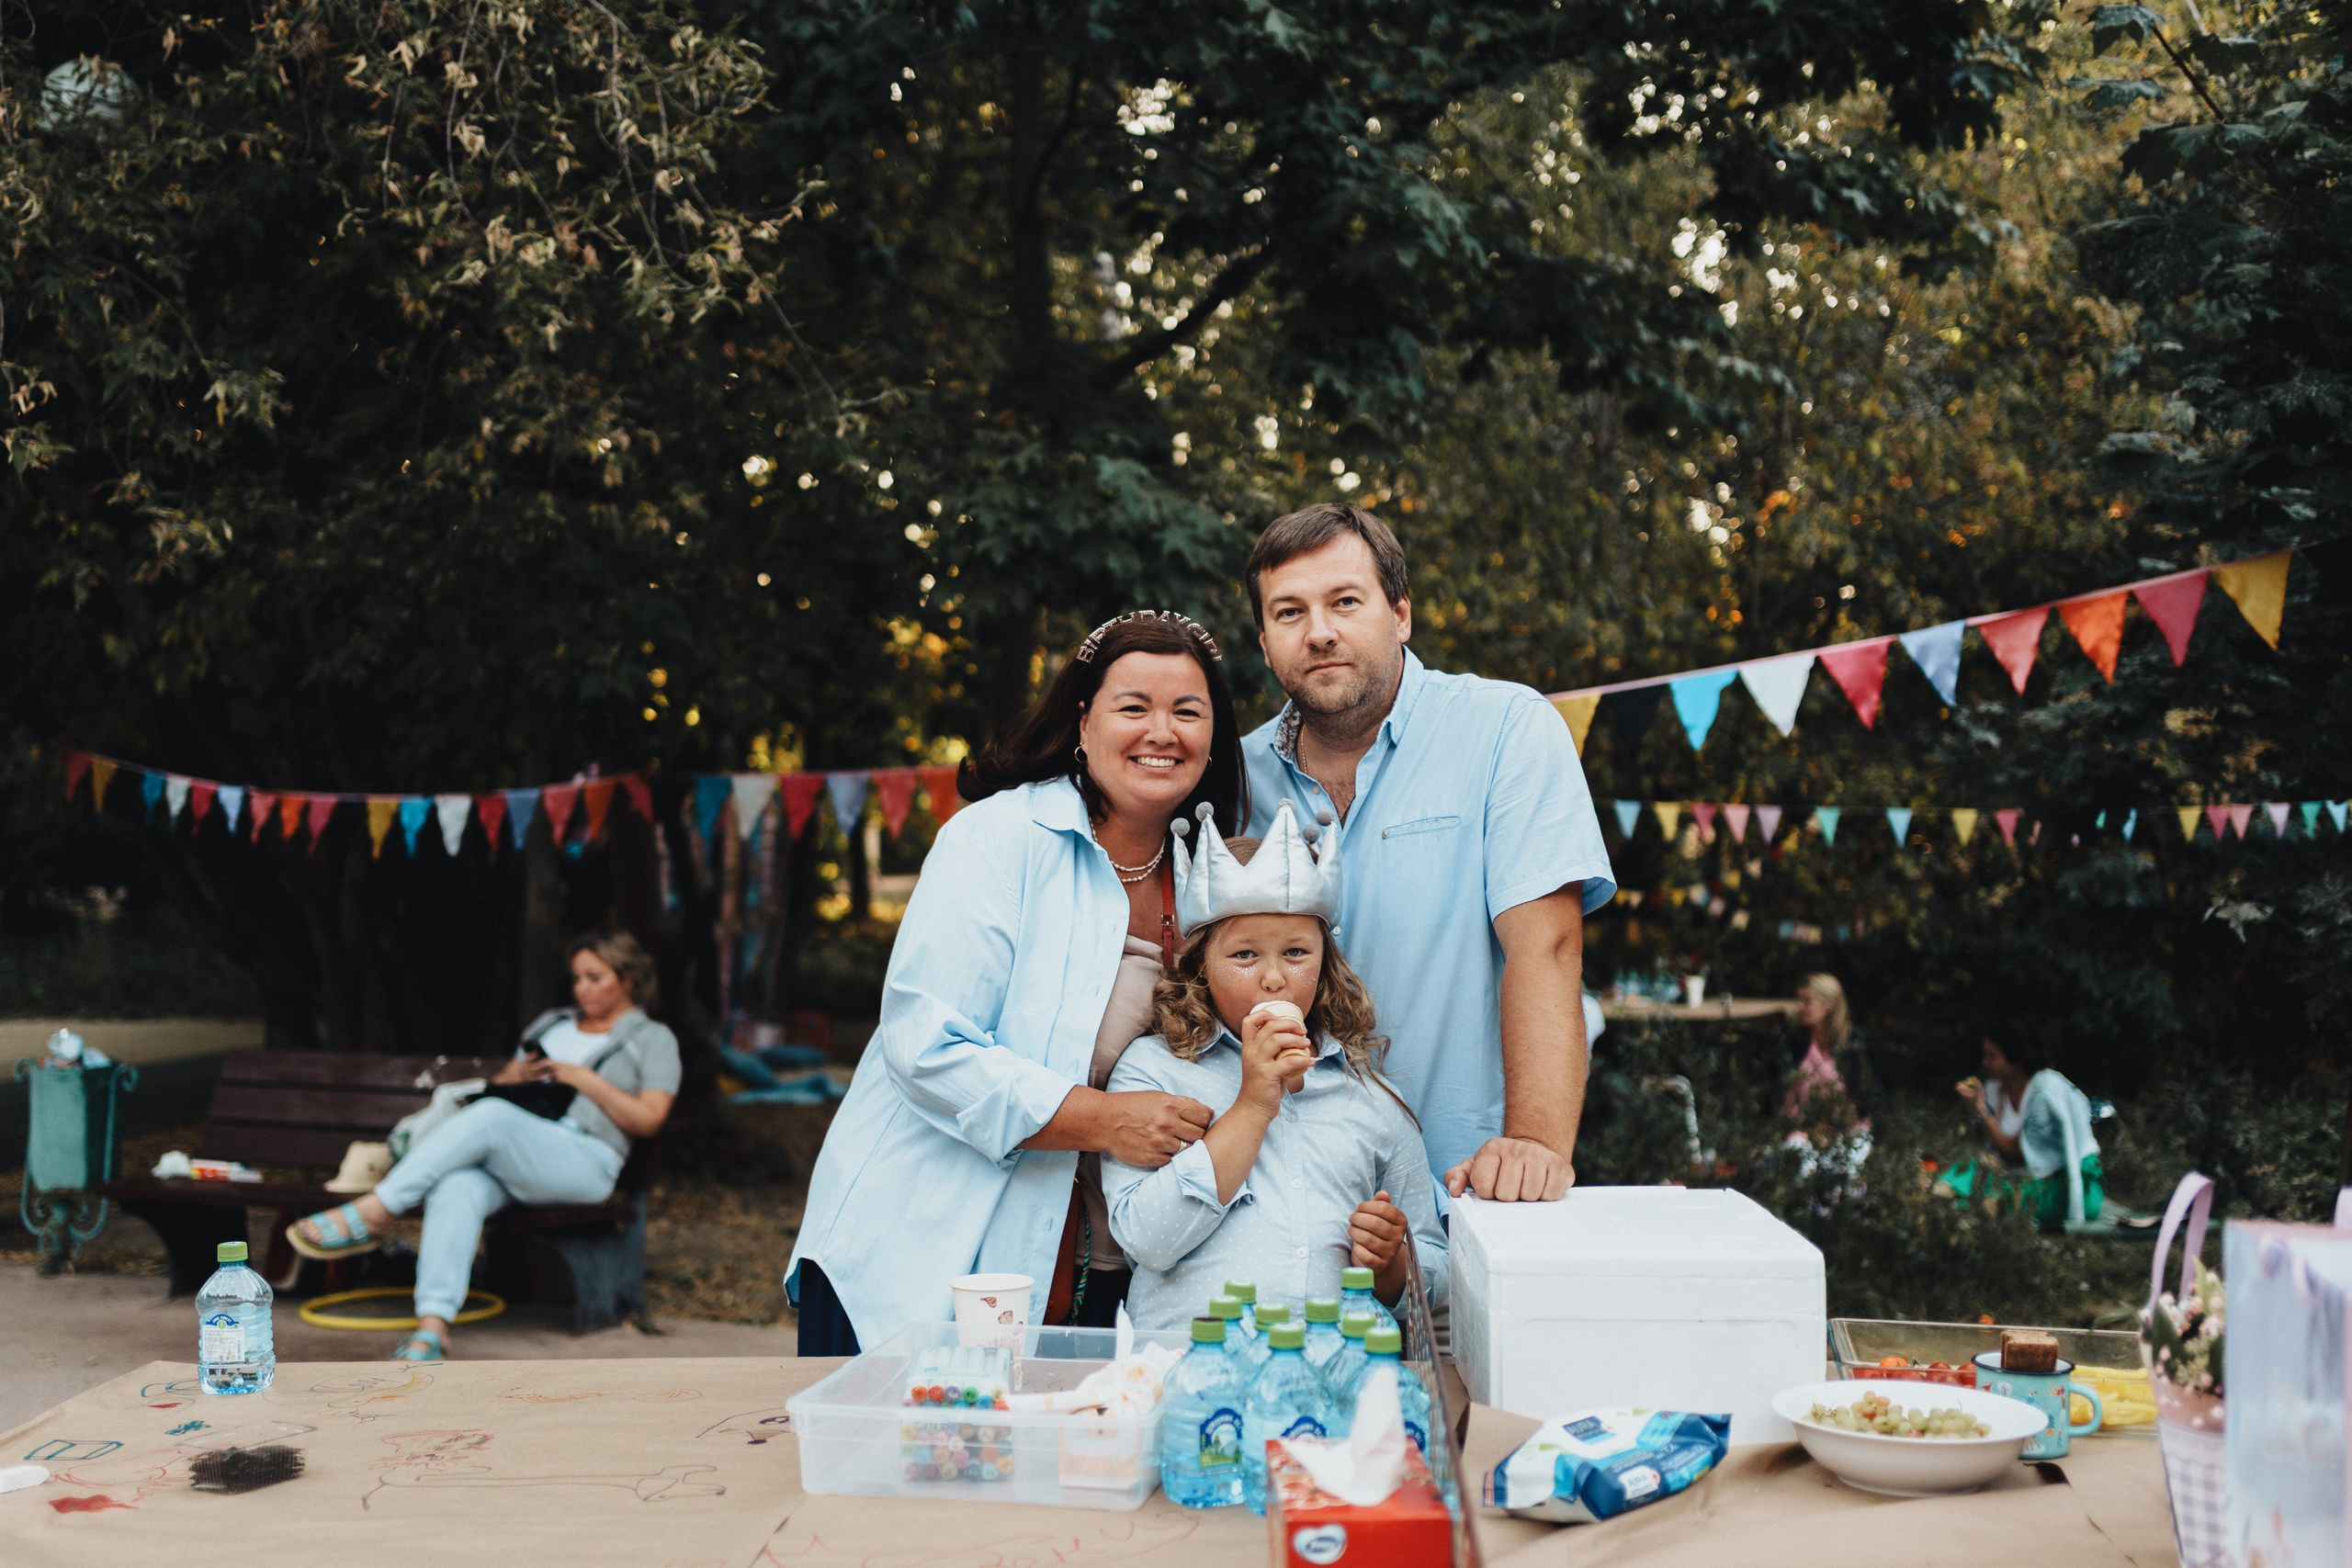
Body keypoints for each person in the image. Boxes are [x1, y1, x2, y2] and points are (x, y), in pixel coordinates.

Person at [787, 612, 1248, 1353]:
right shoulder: (996, 839)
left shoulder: (1217, 879)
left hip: (1111, 1271)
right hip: (924, 1254)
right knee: (891, 1470)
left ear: (1214, 738)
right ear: (1083, 720)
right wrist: (1108, 1119)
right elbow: (926, 1044)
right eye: (1133, 706)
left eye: (1187, 712)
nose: (1161, 731)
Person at [1240, 503, 1614, 1202]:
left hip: (1463, 1196)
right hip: (1283, 1209)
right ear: (1265, 643)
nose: (1319, 632)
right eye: (1289, 612)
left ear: (1401, 614)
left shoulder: (1506, 728)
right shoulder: (1233, 776)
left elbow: (1548, 947)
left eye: (1345, 601)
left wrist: (1533, 1144)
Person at [1104, 801, 1446, 1330]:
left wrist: (1393, 1266)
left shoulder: (1369, 1096)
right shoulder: (1154, 1071)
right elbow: (1147, 1240)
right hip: (1189, 1374)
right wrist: (1252, 1104)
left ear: (1325, 966)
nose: (1273, 978)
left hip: (1333, 1376)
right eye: (1244, 955)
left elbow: (1436, 1262)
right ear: (1200, 966)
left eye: (1296, 953)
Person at [288, 931, 680, 1361]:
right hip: (518, 1151)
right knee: (457, 1185)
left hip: (586, 1162)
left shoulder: (652, 1039)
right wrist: (528, 1079)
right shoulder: (553, 1023)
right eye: (576, 978)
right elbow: (504, 1086)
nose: (581, 988)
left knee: (493, 1118)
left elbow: (650, 1118)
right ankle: (432, 1330)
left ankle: (378, 1209)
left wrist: (579, 1077)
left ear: (627, 979)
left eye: (595, 977)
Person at [1944, 1020, 2104, 1228]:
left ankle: (1958, 1205)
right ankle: (1945, 1195)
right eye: (1985, 1055)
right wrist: (1976, 1109)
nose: (1985, 1063)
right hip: (2034, 1180)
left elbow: (2015, 1154)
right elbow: (1992, 1152)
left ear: (2017, 1059)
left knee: (2007, 1197)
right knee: (1967, 1169)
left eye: (1992, 1056)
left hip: (2071, 1186)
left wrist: (1982, 1111)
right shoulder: (1995, 1089)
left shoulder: (2043, 1090)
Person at [1781, 973, 1883, 1121]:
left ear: (1828, 1005)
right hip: (1800, 1127)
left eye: (1807, 1001)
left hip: (1846, 1129)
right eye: (1799, 1000)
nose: (1799, 1007)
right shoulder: (1797, 1039)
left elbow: (1871, 1093)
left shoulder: (1855, 1041)